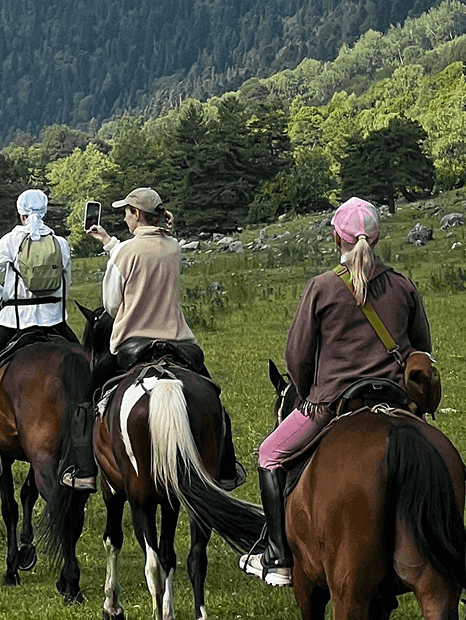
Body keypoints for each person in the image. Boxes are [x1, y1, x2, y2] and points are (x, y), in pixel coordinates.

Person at [240, 195, 433, 588]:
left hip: (332, 403)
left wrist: (311, 391)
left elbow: (296, 358)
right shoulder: (403, 285)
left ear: (335, 238)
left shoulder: (321, 287)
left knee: (269, 455)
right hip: (396, 400)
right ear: (376, 239)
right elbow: (422, 346)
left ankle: (277, 557)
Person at [87, 187, 243, 489]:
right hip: (179, 342)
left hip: (133, 344)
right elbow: (145, 251)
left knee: (89, 398)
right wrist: (110, 244)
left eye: (126, 212)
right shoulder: (173, 247)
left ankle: (82, 466)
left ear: (136, 215)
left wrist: (113, 251)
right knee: (215, 402)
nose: (124, 217)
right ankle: (225, 468)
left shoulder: (126, 254)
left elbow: (112, 305)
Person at [0, 188, 77, 460]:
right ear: (45, 212)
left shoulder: (11, 241)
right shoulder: (61, 243)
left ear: (20, 214)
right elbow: (67, 282)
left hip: (15, 323)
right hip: (54, 322)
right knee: (88, 368)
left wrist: (3, 298)